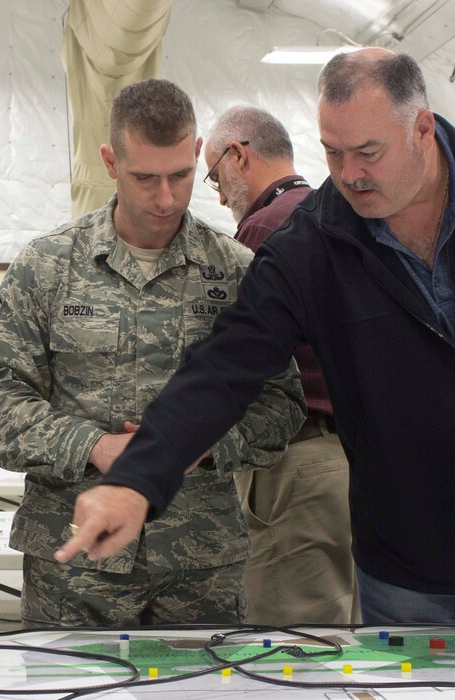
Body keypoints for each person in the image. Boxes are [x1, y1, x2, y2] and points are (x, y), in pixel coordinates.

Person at [57, 48, 455, 625]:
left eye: (368, 152)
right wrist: (138, 478)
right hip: (407, 567)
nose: (350, 175)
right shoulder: (313, 243)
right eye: (332, 152)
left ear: (421, 129)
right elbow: (223, 366)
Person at [0, 78, 305, 627]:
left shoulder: (236, 270)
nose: (166, 198)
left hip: (200, 562)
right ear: (110, 161)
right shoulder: (49, 266)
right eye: (145, 178)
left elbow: (283, 406)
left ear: (199, 155)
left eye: (181, 175)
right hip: (75, 565)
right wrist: (95, 447)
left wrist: (202, 445)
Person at [203, 106, 358, 624]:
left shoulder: (264, 232)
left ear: (238, 155)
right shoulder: (334, 214)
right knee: (342, 624)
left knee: (290, 637)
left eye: (212, 178)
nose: (220, 196)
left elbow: (234, 360)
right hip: (349, 456)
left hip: (295, 464)